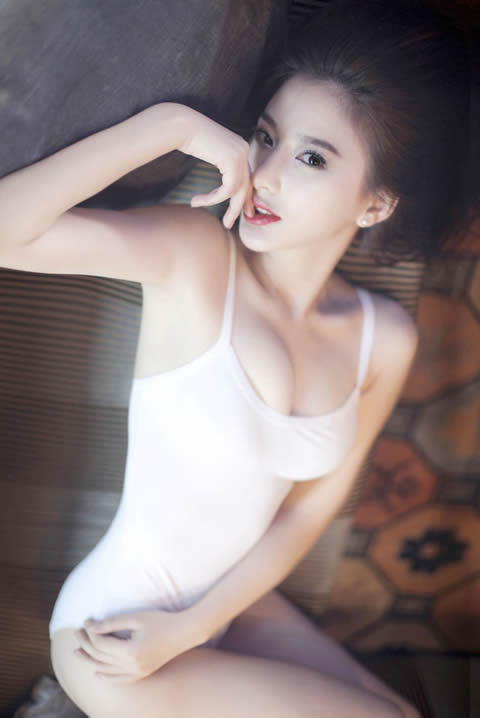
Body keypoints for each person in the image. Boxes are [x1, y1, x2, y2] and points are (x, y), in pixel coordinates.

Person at [0, 1, 472, 715]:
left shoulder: (384, 337)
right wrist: (172, 126)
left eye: (311, 158)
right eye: (265, 137)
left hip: (231, 609)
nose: (265, 174)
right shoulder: (194, 257)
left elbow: (302, 519)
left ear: (375, 205)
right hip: (113, 638)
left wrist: (194, 626)